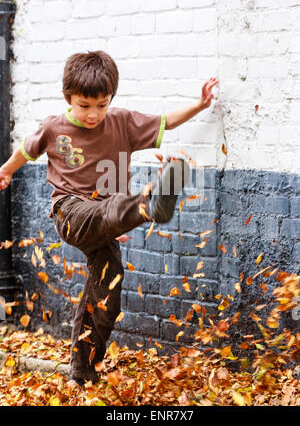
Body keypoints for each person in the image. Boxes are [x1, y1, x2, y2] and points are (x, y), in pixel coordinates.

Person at [0, 50, 218, 387]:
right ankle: (147, 205)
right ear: (68, 98)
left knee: (106, 296)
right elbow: (26, 151)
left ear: (110, 98)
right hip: (71, 213)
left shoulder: (122, 121)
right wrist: (6, 171)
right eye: (84, 106)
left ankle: (82, 371)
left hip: (108, 221)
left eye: (102, 105)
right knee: (107, 207)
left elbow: (165, 121)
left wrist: (200, 105)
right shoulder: (54, 127)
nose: (93, 114)